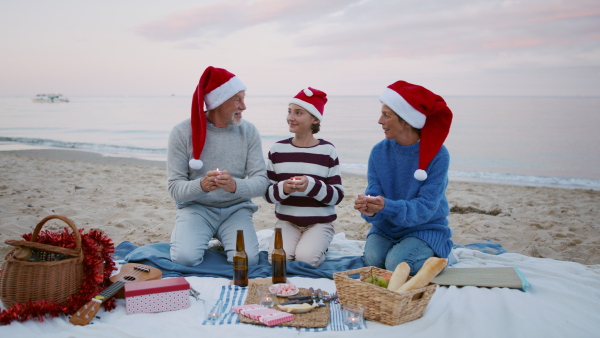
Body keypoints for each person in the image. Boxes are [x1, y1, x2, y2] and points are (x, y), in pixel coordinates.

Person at [167, 66, 269, 267]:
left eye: (244, 98)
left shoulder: (248, 132)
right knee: (184, 259)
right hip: (196, 209)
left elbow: (262, 182)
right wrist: (202, 186)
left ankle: (222, 239)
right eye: (237, 100)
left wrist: (235, 186)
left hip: (236, 209)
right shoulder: (181, 132)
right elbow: (175, 190)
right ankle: (199, 236)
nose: (244, 106)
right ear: (218, 101)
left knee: (247, 261)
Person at [354, 80, 453, 275]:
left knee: (395, 264)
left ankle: (438, 250)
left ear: (407, 120)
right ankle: (407, 250)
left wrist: (386, 206)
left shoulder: (438, 155)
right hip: (387, 228)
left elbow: (425, 208)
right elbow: (375, 193)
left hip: (425, 227)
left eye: (386, 115)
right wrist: (369, 207)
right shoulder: (379, 152)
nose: (380, 121)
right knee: (373, 260)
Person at [264, 87, 345, 267]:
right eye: (289, 111)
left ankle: (321, 245)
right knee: (278, 261)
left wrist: (311, 185)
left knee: (307, 260)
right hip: (287, 222)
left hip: (319, 223)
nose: (290, 117)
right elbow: (267, 194)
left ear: (314, 119)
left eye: (298, 113)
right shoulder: (277, 149)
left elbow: (337, 196)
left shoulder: (327, 151)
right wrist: (283, 188)